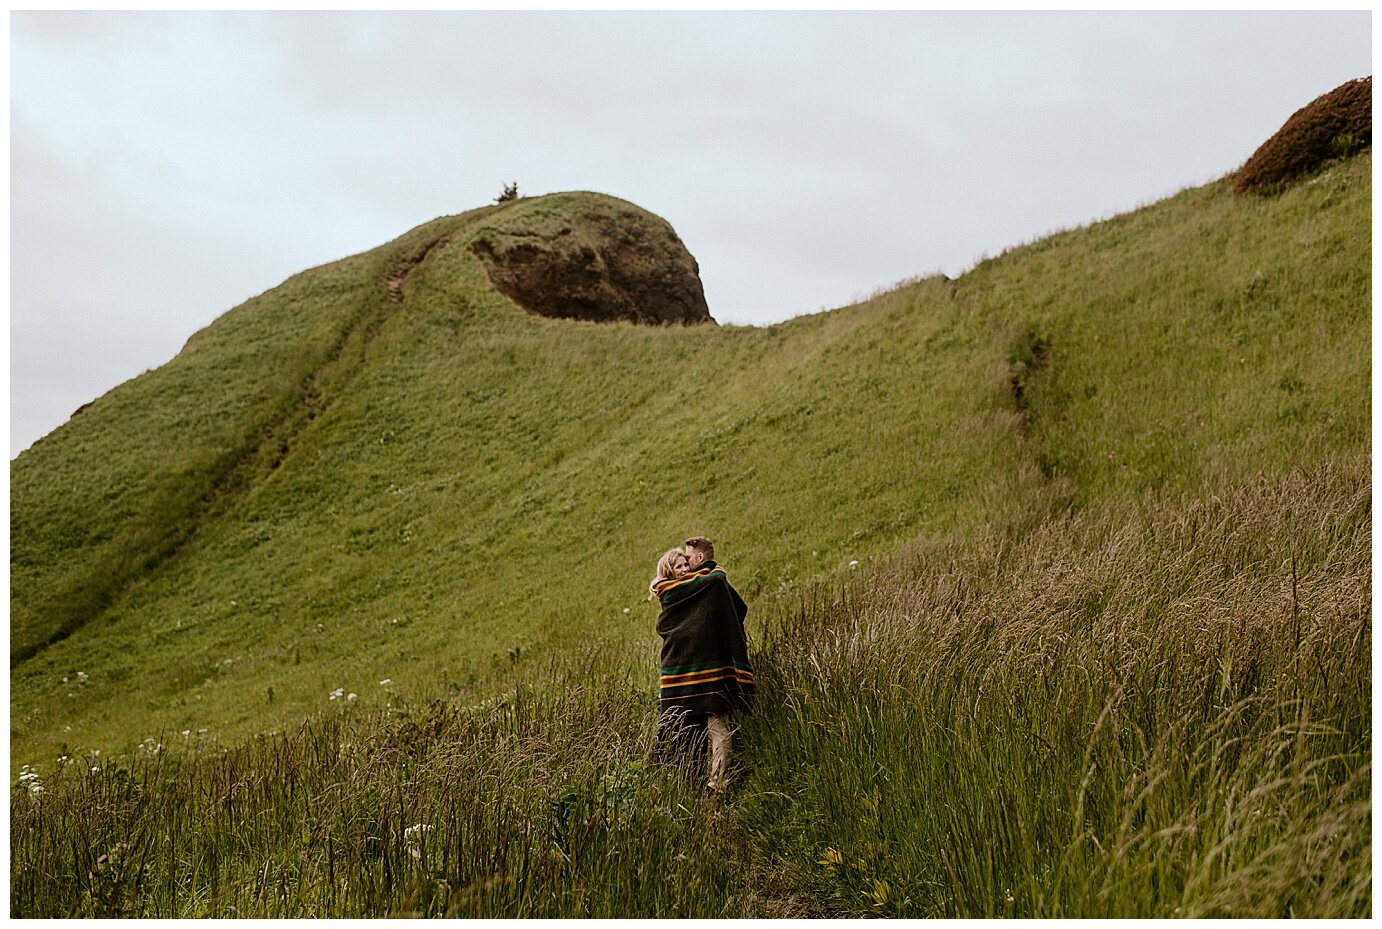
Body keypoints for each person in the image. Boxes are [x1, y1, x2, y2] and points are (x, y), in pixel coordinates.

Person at [650, 536, 752, 793]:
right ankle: (682, 781)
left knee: (718, 724)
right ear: (668, 572)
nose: (686, 570)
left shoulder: (706, 587)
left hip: (708, 670)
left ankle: (717, 784)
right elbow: (719, 583)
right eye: (680, 566)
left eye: (687, 563)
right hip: (680, 671)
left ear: (699, 558)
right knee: (682, 728)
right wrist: (715, 571)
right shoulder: (682, 591)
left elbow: (736, 607)